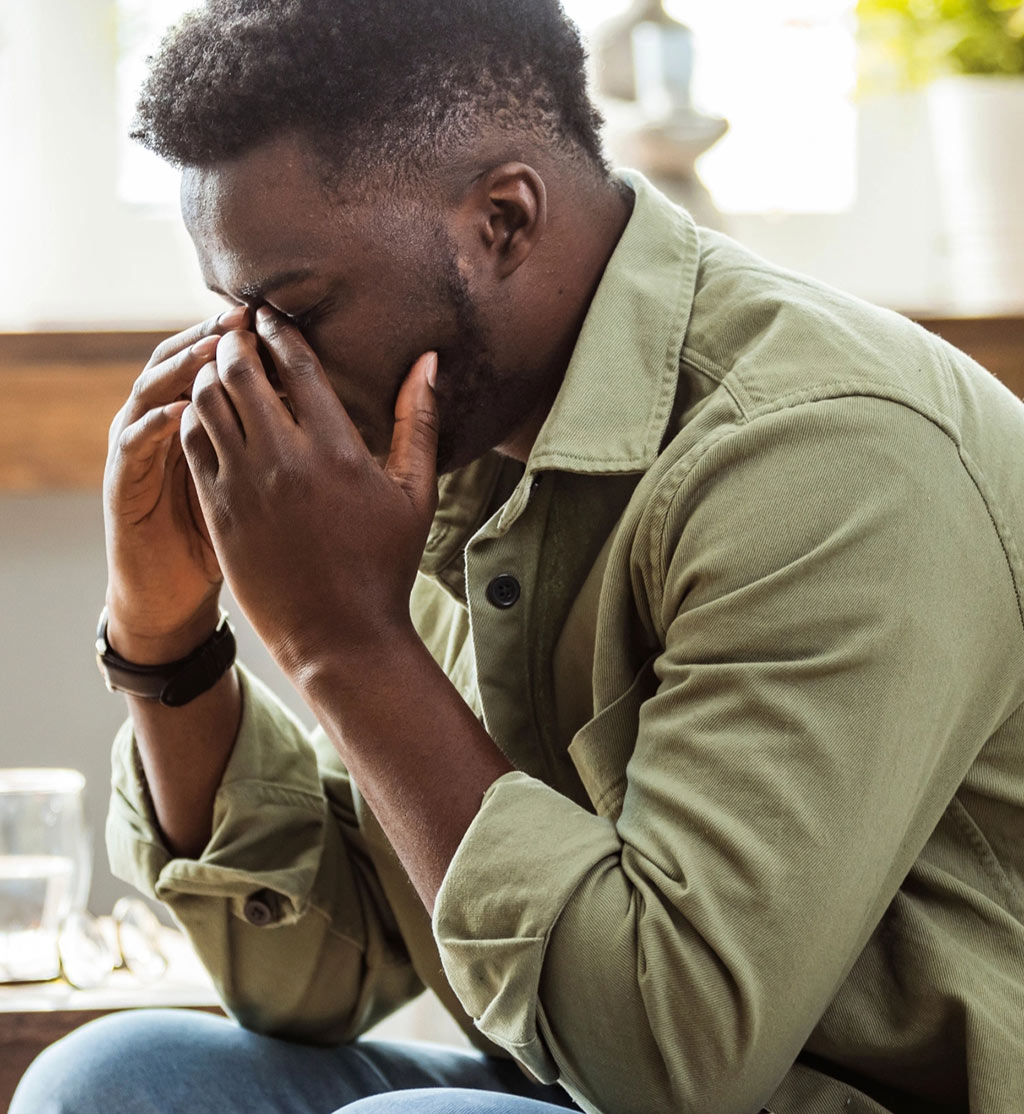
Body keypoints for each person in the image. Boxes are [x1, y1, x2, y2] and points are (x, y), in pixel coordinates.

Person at [13, 0, 1024, 1111]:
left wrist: (344, 641)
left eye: (293, 305)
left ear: (501, 219)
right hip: (592, 1081)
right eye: (231, 310)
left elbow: (666, 1064)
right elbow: (316, 973)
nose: (249, 363)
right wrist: (168, 641)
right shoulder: (452, 445)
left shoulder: (827, 455)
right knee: (116, 1079)